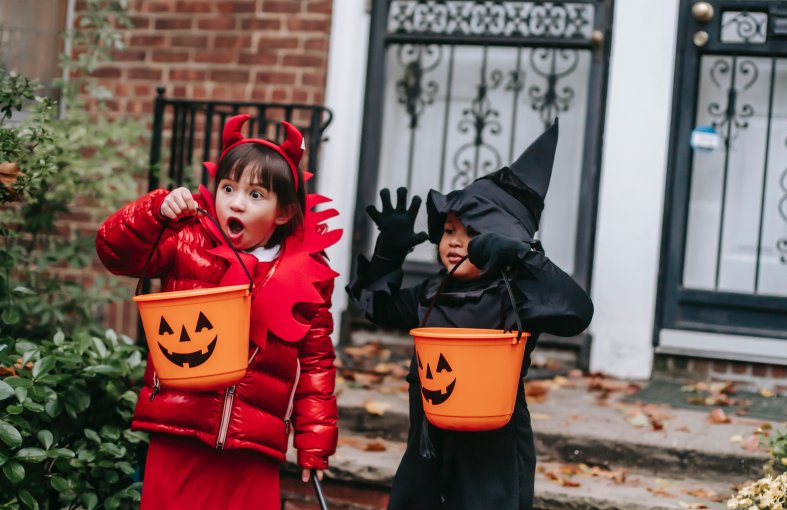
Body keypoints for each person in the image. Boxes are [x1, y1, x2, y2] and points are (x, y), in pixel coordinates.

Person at [96, 114, 342, 509]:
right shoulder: (187, 240)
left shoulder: (306, 277)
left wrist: (314, 441)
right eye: (229, 187)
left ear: (282, 213)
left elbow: (316, 361)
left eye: (256, 194)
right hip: (179, 430)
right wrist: (154, 212)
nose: (237, 202)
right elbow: (116, 252)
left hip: (251, 446)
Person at [347, 119, 593, 509]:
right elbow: (376, 306)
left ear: (501, 237)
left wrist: (523, 257)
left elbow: (576, 312)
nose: (455, 241)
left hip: (490, 461)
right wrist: (388, 254)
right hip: (427, 453)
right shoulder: (430, 293)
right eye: (448, 230)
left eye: (472, 231)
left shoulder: (518, 297)